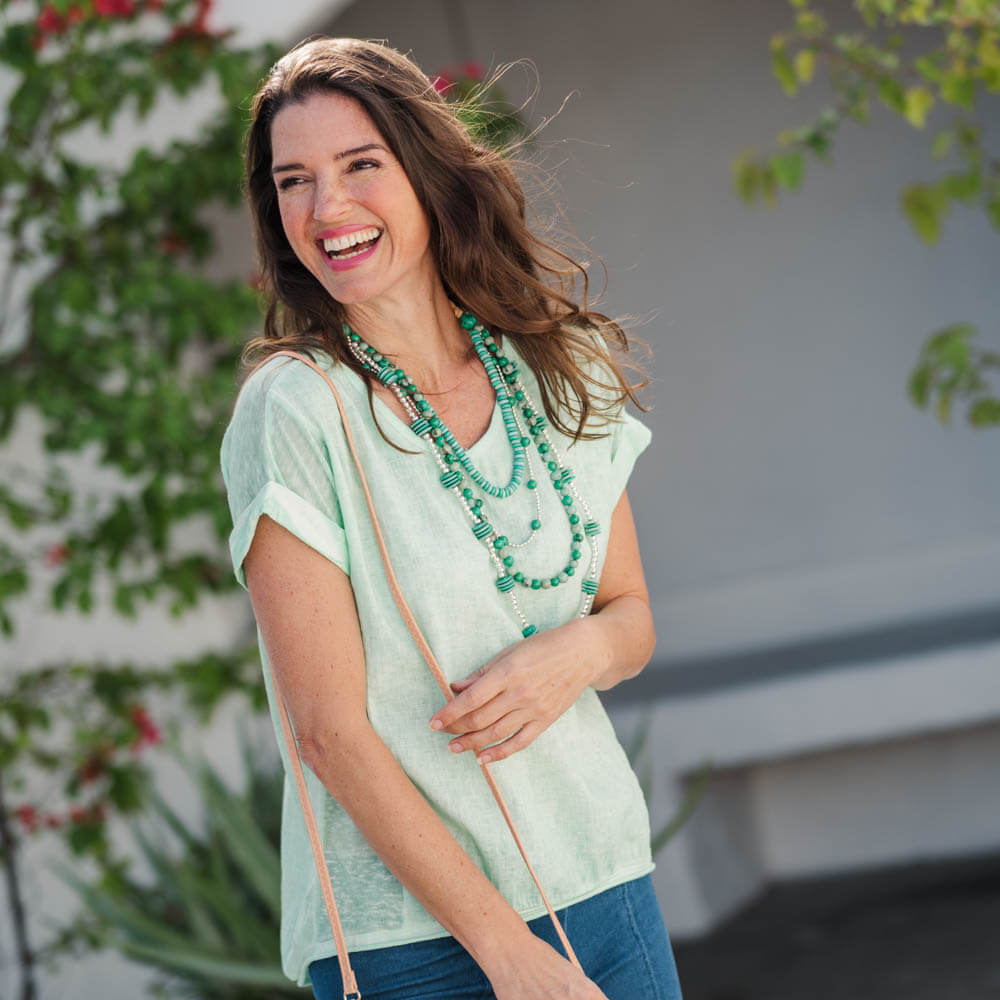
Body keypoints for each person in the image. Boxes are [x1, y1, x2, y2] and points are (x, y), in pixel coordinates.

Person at [220, 36, 683, 1000]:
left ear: (426, 174)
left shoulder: (557, 364)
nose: (326, 207)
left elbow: (631, 614)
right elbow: (328, 733)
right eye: (292, 180)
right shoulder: (297, 409)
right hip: (417, 944)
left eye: (360, 166)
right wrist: (510, 958)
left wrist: (576, 655)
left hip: (605, 881)